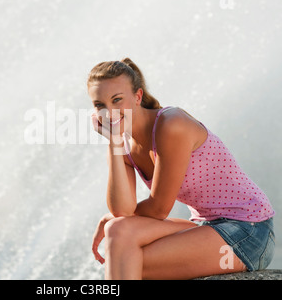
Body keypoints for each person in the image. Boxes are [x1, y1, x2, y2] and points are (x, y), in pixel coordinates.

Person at [87, 57, 275, 280]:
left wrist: (115, 216)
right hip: (205, 225)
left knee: (125, 259)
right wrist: (114, 142)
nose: (109, 113)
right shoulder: (124, 144)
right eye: (100, 105)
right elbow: (122, 211)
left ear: (137, 96)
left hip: (249, 231)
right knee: (117, 230)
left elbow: (159, 209)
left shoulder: (171, 124)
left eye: (116, 100)